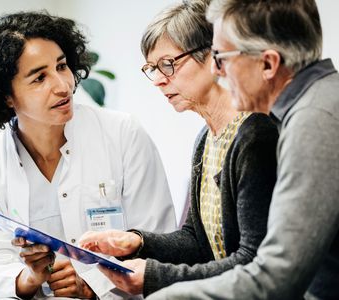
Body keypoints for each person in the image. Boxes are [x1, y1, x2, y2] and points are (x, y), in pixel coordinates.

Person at [0, 11, 177, 300]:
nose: (62, 85)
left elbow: (159, 242)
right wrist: (30, 277)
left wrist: (91, 286)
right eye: (39, 78)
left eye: (62, 66)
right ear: (6, 95)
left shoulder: (122, 134)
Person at [79, 0, 278, 297]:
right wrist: (136, 242)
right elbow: (197, 241)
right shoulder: (205, 139)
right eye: (152, 68)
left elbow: (254, 260)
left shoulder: (254, 134)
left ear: (214, 56)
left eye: (167, 64)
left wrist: (156, 276)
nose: (158, 80)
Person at [145, 0, 339, 299]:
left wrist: (165, 294)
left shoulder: (313, 121)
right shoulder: (318, 102)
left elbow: (278, 274)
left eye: (222, 56)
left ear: (268, 63)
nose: (217, 69)